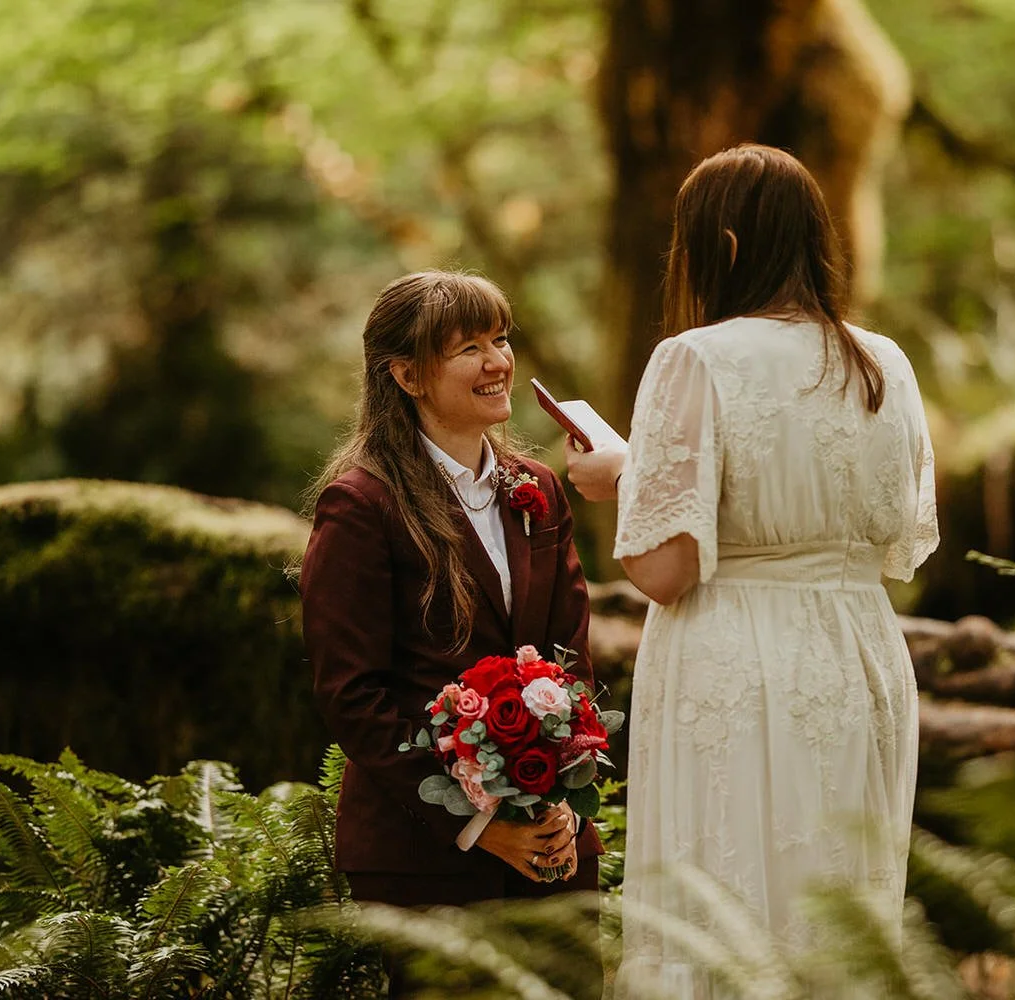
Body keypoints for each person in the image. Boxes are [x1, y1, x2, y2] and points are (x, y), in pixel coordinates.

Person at [566, 144, 939, 996]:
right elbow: (895, 542)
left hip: (737, 660)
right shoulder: (884, 362)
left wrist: (619, 479)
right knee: (841, 915)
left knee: (729, 908)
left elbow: (667, 570)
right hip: (860, 656)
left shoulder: (695, 357)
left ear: (723, 246)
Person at [299, 271, 602, 920]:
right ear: (407, 377)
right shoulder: (361, 506)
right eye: (467, 349)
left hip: (554, 837)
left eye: (499, 339)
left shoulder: (539, 490)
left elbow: (570, 657)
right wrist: (480, 824)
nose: (498, 362)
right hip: (425, 853)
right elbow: (352, 695)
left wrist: (556, 801)